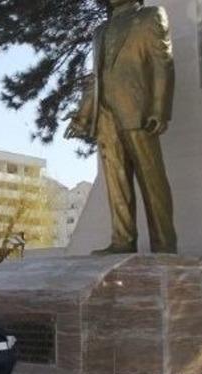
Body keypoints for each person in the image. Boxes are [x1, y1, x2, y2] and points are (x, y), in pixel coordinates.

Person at [65, 0, 176, 254]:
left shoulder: (150, 16)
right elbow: (97, 77)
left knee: (152, 180)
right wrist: (82, 116)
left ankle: (164, 244)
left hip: (138, 111)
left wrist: (160, 109)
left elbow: (163, 63)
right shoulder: (100, 31)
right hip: (106, 115)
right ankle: (123, 241)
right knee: (117, 182)